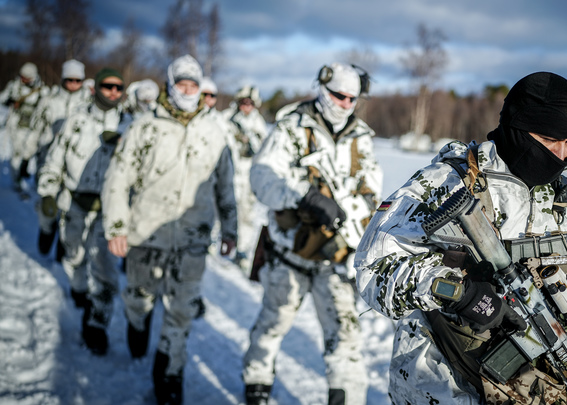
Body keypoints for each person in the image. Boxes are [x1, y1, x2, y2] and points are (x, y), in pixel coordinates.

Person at [354, 72, 567, 405]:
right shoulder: (448, 182)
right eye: (551, 141)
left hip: (524, 381)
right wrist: (459, 293)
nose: (562, 156)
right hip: (439, 381)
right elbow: (373, 267)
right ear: (520, 130)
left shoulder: (557, 197)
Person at [242, 63, 382, 405]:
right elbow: (261, 177)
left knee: (346, 341)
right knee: (271, 327)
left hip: (337, 259)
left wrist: (357, 209)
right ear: (322, 89)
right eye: (338, 95)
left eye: (352, 98)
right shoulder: (291, 127)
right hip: (288, 256)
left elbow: (373, 188)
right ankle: (257, 383)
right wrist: (305, 196)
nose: (345, 104)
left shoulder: (361, 137)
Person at [102, 54, 237, 405]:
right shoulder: (145, 127)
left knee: (181, 311)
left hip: (192, 240)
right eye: (181, 83)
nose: (188, 90)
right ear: (170, 84)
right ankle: (137, 322)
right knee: (139, 298)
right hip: (146, 234)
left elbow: (226, 186)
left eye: (193, 84)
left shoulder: (214, 131)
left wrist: (231, 228)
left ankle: (169, 373)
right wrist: (116, 226)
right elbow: (118, 178)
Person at [37, 67, 130, 354]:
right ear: (96, 88)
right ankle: (78, 289)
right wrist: (48, 191)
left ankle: (97, 323)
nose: (113, 92)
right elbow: (55, 159)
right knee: (74, 255)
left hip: (108, 212)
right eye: (107, 86)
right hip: (74, 204)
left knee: (104, 269)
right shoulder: (76, 121)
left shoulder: (130, 125)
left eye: (118, 87)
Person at [29, 59, 91, 256]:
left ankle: (61, 250)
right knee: (47, 207)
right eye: (70, 79)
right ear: (64, 79)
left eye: (77, 80)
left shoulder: (88, 104)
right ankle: (46, 232)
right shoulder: (50, 101)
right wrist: (28, 153)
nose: (73, 84)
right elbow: (36, 128)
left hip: (74, 166)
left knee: (68, 211)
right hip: (48, 161)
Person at [222, 85, 268, 268]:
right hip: (231, 171)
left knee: (247, 213)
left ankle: (242, 250)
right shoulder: (228, 118)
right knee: (226, 207)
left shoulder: (259, 123)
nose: (246, 106)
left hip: (248, 173)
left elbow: (263, 147)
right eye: (243, 102)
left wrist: (250, 139)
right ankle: (221, 240)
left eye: (250, 103)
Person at [0, 62, 50, 192]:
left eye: (26, 78)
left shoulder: (42, 90)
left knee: (30, 153)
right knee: (16, 154)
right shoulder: (14, 86)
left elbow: (48, 107)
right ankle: (17, 180)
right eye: (22, 77)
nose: (23, 80)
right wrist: (10, 100)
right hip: (16, 126)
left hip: (34, 129)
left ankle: (26, 172)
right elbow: (3, 99)